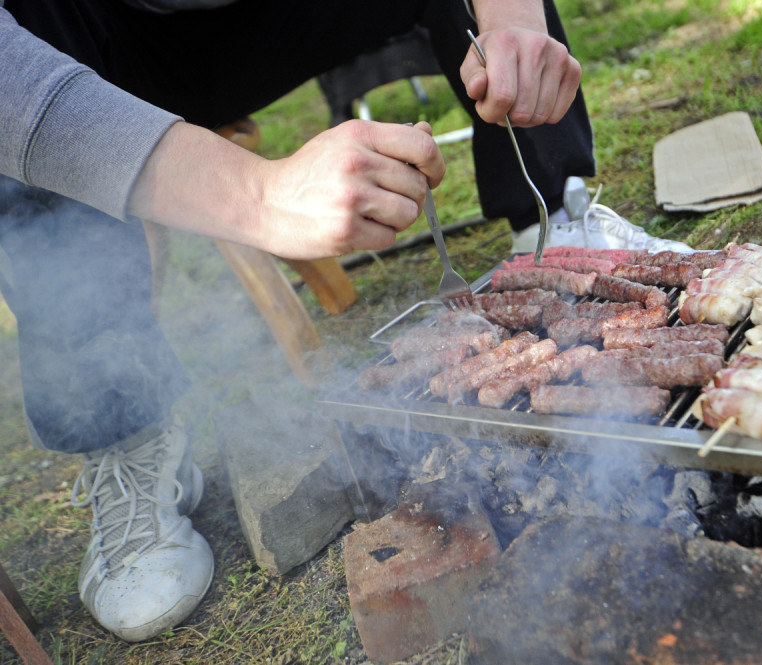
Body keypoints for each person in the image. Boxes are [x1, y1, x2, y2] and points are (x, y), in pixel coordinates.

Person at [0, 0, 606, 643]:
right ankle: (123, 434)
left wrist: (512, 21)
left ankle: (558, 230)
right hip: (98, 44)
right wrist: (254, 195)